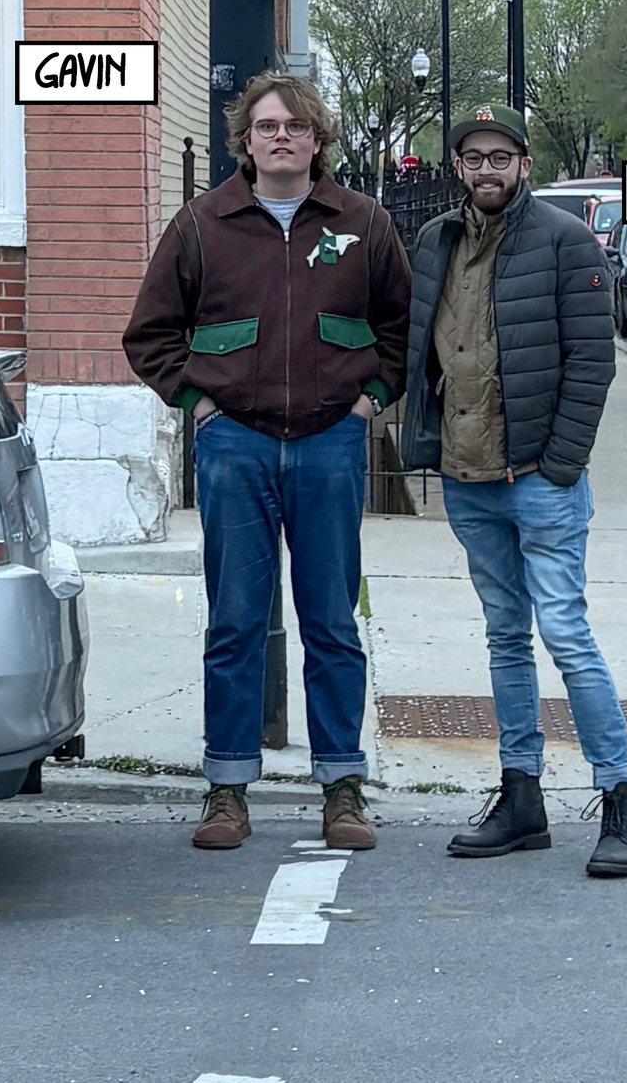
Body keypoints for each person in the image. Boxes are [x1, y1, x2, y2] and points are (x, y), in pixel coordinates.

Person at [124, 71, 411, 852]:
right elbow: (148, 335)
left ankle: (343, 786)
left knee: (331, 620)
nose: (280, 136)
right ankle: (226, 788)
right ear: (243, 141)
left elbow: (400, 329)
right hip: (234, 447)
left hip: (330, 444)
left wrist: (369, 399)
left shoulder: (364, 223)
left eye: (294, 125)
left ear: (318, 139)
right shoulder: (201, 224)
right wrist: (201, 406)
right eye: (265, 125)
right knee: (236, 622)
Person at [400, 103, 627, 877]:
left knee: (566, 635)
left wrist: (561, 463)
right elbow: (420, 349)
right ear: (459, 167)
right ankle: (521, 794)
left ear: (524, 163)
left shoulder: (566, 243)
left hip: (539, 480)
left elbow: (592, 364)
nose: (486, 170)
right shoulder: (435, 241)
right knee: (505, 638)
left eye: (500, 156)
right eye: (473, 157)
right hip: (469, 482)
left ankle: (620, 799)